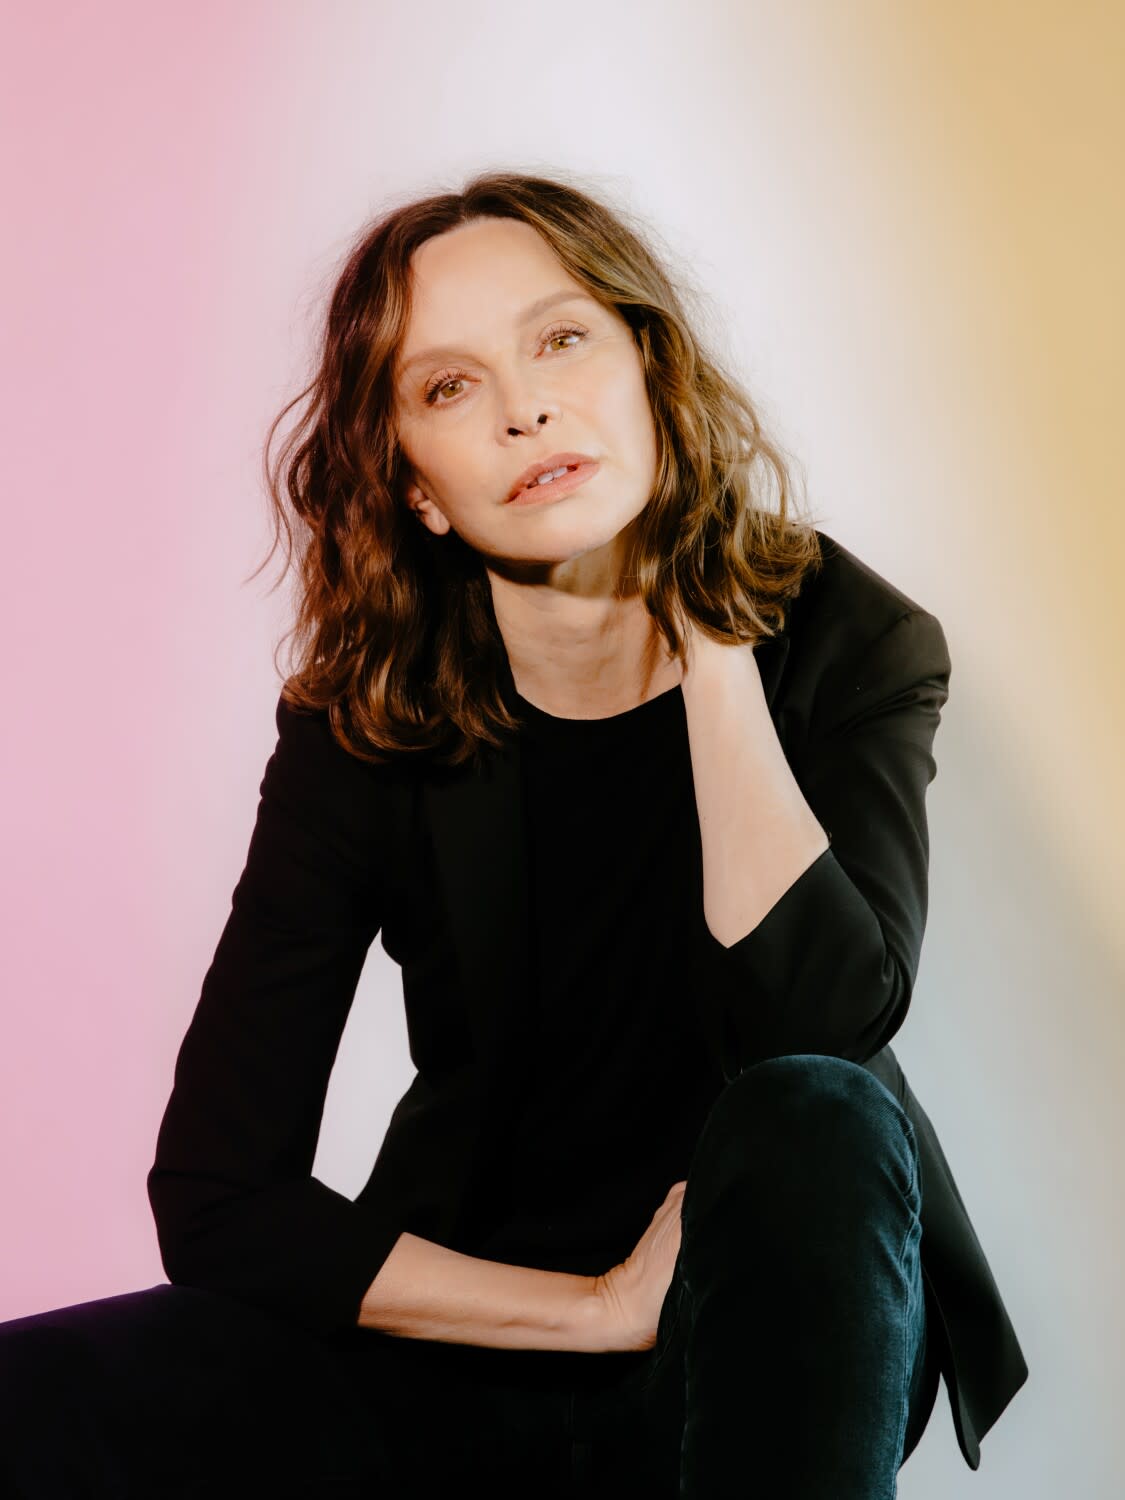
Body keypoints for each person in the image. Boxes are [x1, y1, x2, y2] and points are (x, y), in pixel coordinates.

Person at [0, 170, 1027, 1498]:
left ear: (647, 372)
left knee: (815, 1107)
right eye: (448, 387)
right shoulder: (370, 717)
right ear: (417, 489)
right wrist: (594, 1305)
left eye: (558, 341)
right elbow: (218, 1193)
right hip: (475, 1329)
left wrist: (711, 640)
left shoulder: (850, 636)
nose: (524, 407)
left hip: (769, 1338)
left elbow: (821, 1025)